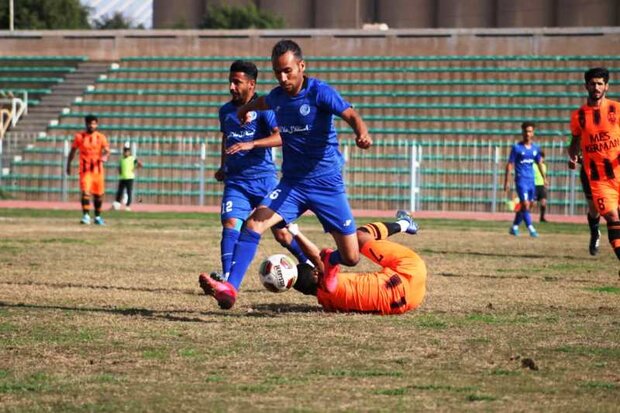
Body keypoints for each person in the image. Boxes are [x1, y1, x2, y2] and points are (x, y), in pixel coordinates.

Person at [199, 39, 372, 309]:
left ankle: (328, 261)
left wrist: (361, 133)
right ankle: (230, 288)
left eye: (288, 71)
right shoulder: (277, 97)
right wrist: (244, 110)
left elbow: (351, 114)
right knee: (254, 224)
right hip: (292, 185)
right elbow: (261, 103)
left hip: (327, 184)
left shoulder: (320, 92)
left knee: (351, 257)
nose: (283, 77)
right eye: (277, 72)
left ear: (301, 66)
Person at [212, 59, 309, 280]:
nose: (231, 87)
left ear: (251, 84)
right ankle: (227, 279)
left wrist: (252, 143)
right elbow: (226, 138)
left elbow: (281, 136)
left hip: (265, 181)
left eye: (237, 82)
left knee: (283, 234)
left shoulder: (266, 110)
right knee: (230, 223)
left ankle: (310, 264)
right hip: (236, 182)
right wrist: (222, 165)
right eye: (230, 82)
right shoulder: (226, 111)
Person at [290, 210, 426, 315]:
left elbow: (315, 260)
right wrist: (334, 255)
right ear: (315, 273)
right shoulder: (328, 284)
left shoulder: (326, 303)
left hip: (410, 301)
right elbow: (319, 256)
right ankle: (405, 223)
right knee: (359, 237)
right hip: (410, 272)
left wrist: (296, 233)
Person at [568, 67, 620, 261]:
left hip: (618, 172)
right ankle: (595, 232)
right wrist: (572, 156)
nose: (596, 87)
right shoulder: (579, 116)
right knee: (608, 215)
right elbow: (573, 142)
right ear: (586, 86)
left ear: (606, 86)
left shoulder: (617, 109)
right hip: (597, 177)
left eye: (600, 84)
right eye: (592, 83)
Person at [503, 121, 546, 237]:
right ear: (522, 132)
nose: (528, 134)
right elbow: (510, 164)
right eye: (526, 131)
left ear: (533, 133)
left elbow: (539, 163)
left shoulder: (535, 148)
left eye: (530, 131)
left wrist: (544, 178)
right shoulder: (517, 148)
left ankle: (514, 227)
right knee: (525, 204)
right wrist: (506, 181)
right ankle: (531, 229)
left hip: (531, 181)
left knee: (529, 205)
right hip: (521, 180)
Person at [66, 114, 109, 225]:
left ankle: (98, 217)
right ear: (86, 124)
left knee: (99, 195)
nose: (91, 125)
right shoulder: (79, 137)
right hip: (85, 171)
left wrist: (105, 156)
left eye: (94, 123)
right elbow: (72, 151)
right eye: (89, 123)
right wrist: (68, 164)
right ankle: (86, 216)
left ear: (97, 124)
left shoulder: (101, 137)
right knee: (85, 192)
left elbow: (107, 150)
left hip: (98, 171)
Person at [113, 142, 143, 212]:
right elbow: (119, 167)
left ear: (129, 152)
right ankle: (117, 204)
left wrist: (135, 168)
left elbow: (140, 164)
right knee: (119, 192)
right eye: (125, 151)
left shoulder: (132, 158)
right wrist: (119, 171)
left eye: (127, 151)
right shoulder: (121, 159)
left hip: (130, 178)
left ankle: (127, 205)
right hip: (122, 177)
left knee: (129, 192)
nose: (126, 152)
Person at [533, 150, 549, 222]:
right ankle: (526, 217)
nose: (540, 159)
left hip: (541, 186)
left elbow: (544, 175)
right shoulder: (533, 165)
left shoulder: (544, 166)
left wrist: (545, 181)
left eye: (542, 158)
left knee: (544, 202)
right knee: (533, 204)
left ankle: (542, 217)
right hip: (534, 185)